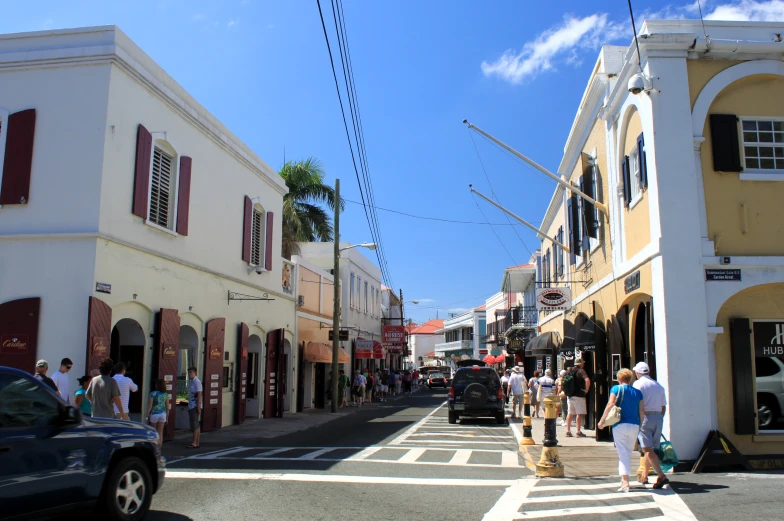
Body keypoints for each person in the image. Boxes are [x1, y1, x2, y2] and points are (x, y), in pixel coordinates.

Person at [598, 368, 644, 493]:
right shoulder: (638, 392)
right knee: (627, 453)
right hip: (634, 425)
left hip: (620, 424)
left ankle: (625, 483)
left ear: (619, 378)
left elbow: (610, 404)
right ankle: (625, 481)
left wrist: (602, 421)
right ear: (630, 379)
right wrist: (641, 425)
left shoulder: (616, 389)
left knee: (623, 454)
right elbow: (641, 411)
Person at [633, 362, 669, 489]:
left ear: (638, 373)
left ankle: (661, 475)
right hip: (658, 416)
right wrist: (659, 418)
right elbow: (663, 406)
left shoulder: (638, 384)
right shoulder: (658, 385)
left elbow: (636, 403)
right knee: (651, 449)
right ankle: (644, 475)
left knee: (647, 449)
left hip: (645, 416)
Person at [565, 358, 591, 438]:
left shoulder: (569, 370)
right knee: (579, 414)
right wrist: (586, 389)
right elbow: (587, 380)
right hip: (579, 395)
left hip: (570, 395)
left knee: (570, 413)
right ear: (581, 364)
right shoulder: (581, 371)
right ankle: (578, 431)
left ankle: (568, 431)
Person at [147, 379, 170, 447]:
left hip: (154, 413)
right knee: (160, 431)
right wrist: (167, 417)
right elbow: (167, 407)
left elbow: (149, 406)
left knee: (153, 431)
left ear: (157, 385)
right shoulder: (165, 394)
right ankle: (159, 446)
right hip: (163, 414)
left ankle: (154, 446)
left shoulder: (152, 393)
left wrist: (147, 416)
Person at [187, 367, 202, 448]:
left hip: (194, 405)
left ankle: (194, 442)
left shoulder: (197, 381)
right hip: (191, 404)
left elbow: (199, 393)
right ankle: (197, 441)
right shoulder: (192, 382)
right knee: (196, 424)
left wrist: (198, 405)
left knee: (195, 424)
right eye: (189, 372)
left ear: (195, 373)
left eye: (191, 372)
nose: (189, 374)